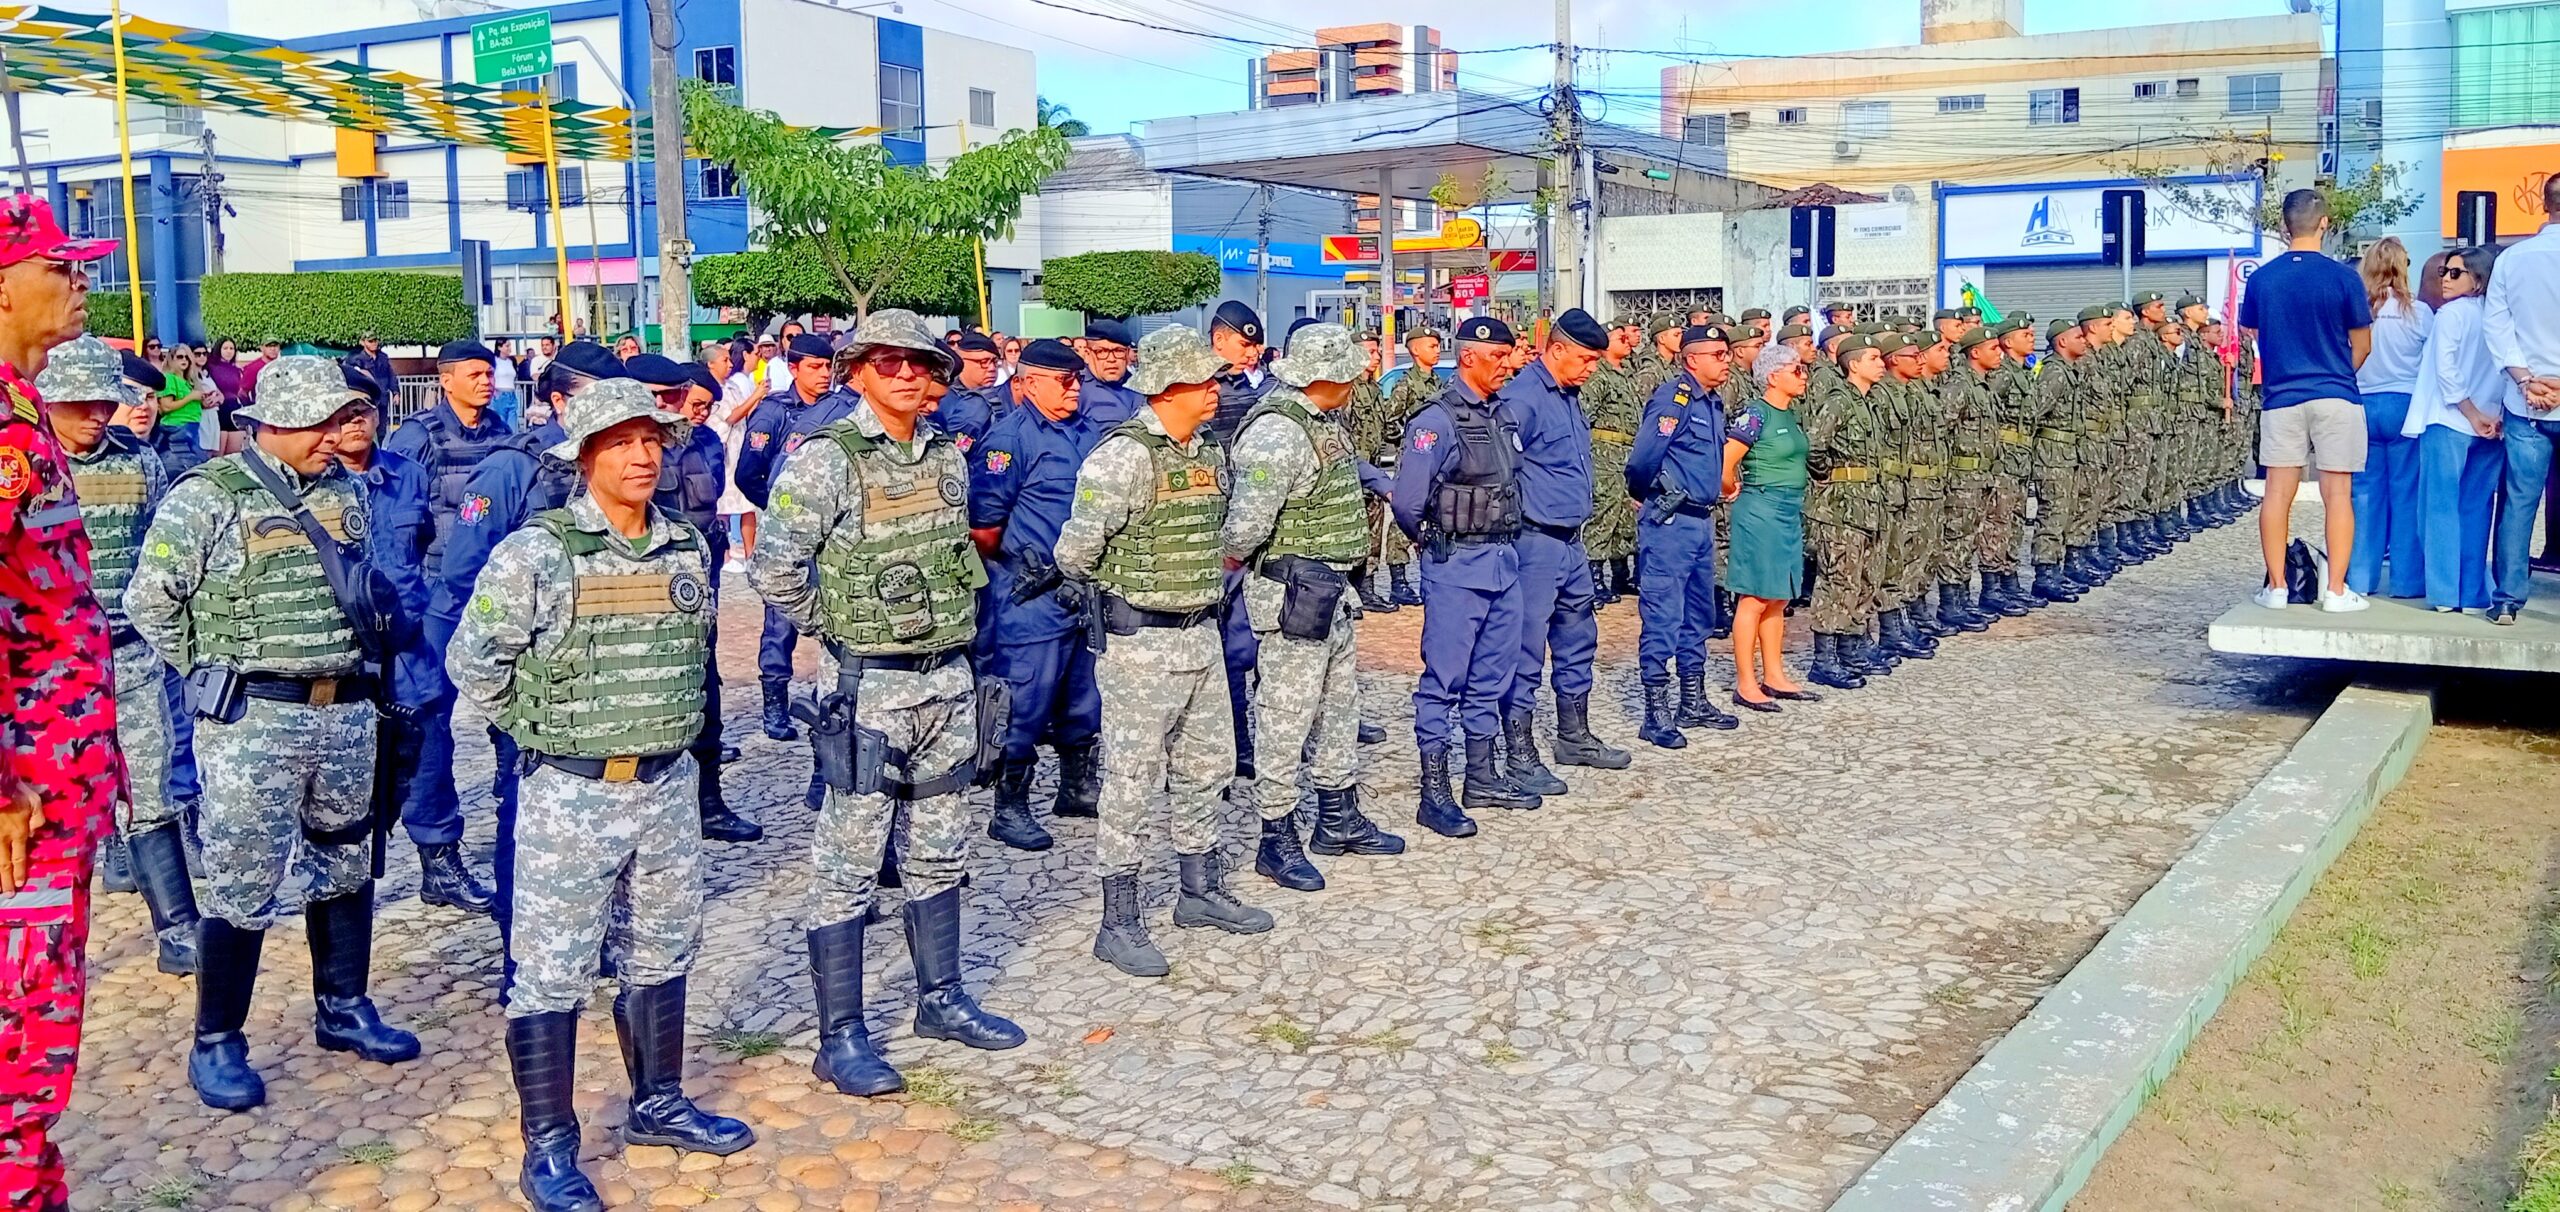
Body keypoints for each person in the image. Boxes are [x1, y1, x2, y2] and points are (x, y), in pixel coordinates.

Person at [447, 378, 754, 1212]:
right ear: (583, 457)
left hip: (666, 787)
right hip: (572, 794)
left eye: (651, 439)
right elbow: (473, 663)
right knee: (552, 973)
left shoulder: (685, 546)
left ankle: (659, 1102)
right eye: (620, 442)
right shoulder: (538, 553)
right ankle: (549, 1146)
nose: (642, 456)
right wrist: (546, 731)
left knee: (663, 950)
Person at [128, 356, 421, 1112]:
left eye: (340, 421)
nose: (335, 436)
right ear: (274, 425)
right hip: (255, 721)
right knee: (242, 881)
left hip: (346, 710)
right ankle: (218, 1039)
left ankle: (344, 1006)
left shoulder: (348, 490)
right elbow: (150, 601)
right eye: (320, 424)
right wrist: (208, 670)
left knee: (347, 861)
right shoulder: (208, 496)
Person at [749, 310, 1026, 1087]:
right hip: (867, 687)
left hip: (946, 681)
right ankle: (840, 1036)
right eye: (888, 362)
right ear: (858, 372)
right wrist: (838, 629)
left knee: (941, 849)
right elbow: (775, 568)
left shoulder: (945, 454)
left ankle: (942, 998)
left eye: (920, 363)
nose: (906, 374)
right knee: (849, 862)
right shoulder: (826, 459)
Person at [1055, 324, 1273, 976]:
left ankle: (1198, 890)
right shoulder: (1121, 458)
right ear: (1168, 387)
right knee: (1130, 781)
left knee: (1208, 767)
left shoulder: (1207, 450)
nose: (1214, 389)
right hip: (1141, 644)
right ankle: (1118, 920)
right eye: (1202, 380)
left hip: (1201, 633)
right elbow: (1075, 552)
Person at [0, 194, 123, 1212]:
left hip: (59, 775)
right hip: (24, 798)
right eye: (59, 268)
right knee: (18, 1036)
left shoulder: (25, 407)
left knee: (39, 1031)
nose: (80, 285)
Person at [1219, 323, 1406, 894]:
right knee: (1286, 717)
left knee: (1338, 708)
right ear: (1321, 377)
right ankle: (1275, 837)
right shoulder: (1277, 433)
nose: (1355, 381)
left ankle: (1337, 816)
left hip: (1331, 591)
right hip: (1292, 596)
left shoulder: (1322, 422)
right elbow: (1243, 529)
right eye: (1346, 373)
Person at [36, 335, 198, 983]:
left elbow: (160, 550)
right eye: (81, 403)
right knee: (57, 805)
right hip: (50, 668)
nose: (96, 414)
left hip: (130, 657)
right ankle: (45, 945)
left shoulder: (140, 461)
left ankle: (178, 929)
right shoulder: (25, 462)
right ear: (50, 401)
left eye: (105, 401)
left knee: (152, 791)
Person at [378, 338, 513, 915]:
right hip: (437, 599)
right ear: (446, 379)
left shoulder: (503, 434)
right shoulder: (418, 438)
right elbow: (395, 527)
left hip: (498, 594)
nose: (486, 382)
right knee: (431, 723)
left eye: (490, 373)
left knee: (512, 711)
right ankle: (438, 855)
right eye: (475, 374)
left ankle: (518, 817)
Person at [1392, 316, 1541, 835]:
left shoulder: (1502, 415)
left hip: (1503, 565)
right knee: (1444, 681)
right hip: (1456, 566)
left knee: (1491, 678)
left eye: (1509, 356)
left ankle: (1481, 776)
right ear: (1470, 357)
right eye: (1498, 357)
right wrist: (1433, 542)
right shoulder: (1436, 421)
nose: (1507, 366)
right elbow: (1407, 502)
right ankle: (1434, 794)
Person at [970, 339, 1106, 851]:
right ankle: (1009, 805)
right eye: (1062, 381)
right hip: (1029, 594)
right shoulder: (1009, 441)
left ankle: (1076, 787)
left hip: (1080, 590)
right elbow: (984, 528)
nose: (1073, 389)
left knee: (1083, 696)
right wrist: (1023, 565)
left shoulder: (1088, 431)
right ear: (1027, 383)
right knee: (1024, 701)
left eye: (1077, 380)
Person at [1500, 308, 1631, 792]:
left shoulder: (1568, 395)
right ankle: (1519, 752)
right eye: (1585, 359)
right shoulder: (1524, 397)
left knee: (1578, 641)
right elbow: (1501, 469)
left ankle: (1574, 736)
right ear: (1556, 350)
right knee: (1525, 647)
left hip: (1572, 541)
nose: (1591, 369)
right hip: (1534, 541)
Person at [638, 356, 761, 843]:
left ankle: (709, 802)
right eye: (660, 396)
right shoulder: (630, 449)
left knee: (705, 689)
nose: (674, 406)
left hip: (699, 586)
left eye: (676, 396)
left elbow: (710, 505)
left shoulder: (706, 441)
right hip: (647, 593)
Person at [2240, 190, 2375, 612]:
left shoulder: (2262, 279)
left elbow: (2255, 334)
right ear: (2325, 223)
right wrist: (2337, 373)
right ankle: (2335, 590)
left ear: (2284, 227)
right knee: (2338, 494)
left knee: (2277, 493)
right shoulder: (2344, 278)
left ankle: (2277, 587)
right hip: (2336, 394)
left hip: (2282, 396)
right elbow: (2363, 344)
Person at [734, 333, 856, 745]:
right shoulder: (774, 411)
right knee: (781, 620)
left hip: (832, 534)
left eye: (828, 367)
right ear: (794, 367)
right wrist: (783, 512)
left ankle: (832, 700)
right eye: (815, 367)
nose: (824, 374)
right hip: (790, 531)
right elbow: (748, 473)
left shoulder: (839, 408)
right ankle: (775, 702)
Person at [1626, 324, 1742, 743]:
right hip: (1671, 522)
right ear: (1692, 359)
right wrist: (1645, 495)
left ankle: (1692, 700)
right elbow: (1644, 458)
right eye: (1717, 354)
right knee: (1663, 614)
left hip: (1701, 521)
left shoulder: (1712, 402)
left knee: (1699, 614)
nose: (1726, 361)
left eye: (1727, 353)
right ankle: (1655, 711)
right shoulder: (1673, 398)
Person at [2402, 245, 2504, 613]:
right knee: (2476, 509)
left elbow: (2446, 370)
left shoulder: (2451, 315)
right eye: (2444, 271)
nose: (2445, 278)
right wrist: (2492, 414)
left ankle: (2445, 593)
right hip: (2492, 421)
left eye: (2455, 273)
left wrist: (2472, 412)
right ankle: (2473, 592)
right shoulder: (2500, 317)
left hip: (2450, 419)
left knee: (2439, 508)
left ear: (2478, 279)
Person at [1722, 342, 1819, 710]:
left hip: (1788, 509)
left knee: (1778, 595)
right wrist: (1731, 488)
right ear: (1774, 376)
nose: (1803, 375)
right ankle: (1746, 683)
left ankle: (1774, 675)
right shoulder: (1755, 414)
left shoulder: (1789, 415)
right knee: (1755, 597)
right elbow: (1726, 461)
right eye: (1796, 370)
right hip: (1761, 509)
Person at [2484, 173, 2560, 624]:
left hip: (2526, 400)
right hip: (2542, 393)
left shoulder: (2512, 259)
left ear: (2543, 205)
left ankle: (2507, 599)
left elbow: (2496, 326)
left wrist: (2527, 379)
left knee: (2518, 502)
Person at [2347, 238, 2431, 600]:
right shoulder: (2419, 312)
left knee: (2364, 495)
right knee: (2406, 494)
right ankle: (2406, 581)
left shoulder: (2356, 310)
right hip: (2405, 404)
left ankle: (2360, 578)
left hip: (2363, 403)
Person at [1935, 328, 2006, 631]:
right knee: (1956, 539)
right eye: (1993, 348)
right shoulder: (1959, 386)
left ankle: (1962, 601)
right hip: (1962, 478)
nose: (1999, 353)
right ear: (1975, 352)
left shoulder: (1981, 386)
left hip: (1980, 476)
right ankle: (1950, 605)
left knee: (1969, 539)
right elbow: (1940, 432)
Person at [1377, 326, 1445, 607]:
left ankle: (1431, 574)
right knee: (1405, 511)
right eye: (1431, 346)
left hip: (1437, 457)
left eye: (1438, 345)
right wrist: (1405, 440)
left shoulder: (1438, 383)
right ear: (1415, 350)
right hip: (1415, 458)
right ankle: (1398, 579)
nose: (1437, 350)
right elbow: (1388, 418)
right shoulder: (1406, 384)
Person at [706, 338, 763, 559]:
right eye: (725, 361)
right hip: (723, 451)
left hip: (740, 448)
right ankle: (725, 553)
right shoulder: (710, 390)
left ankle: (750, 553)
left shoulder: (732, 386)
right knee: (723, 506)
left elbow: (744, 412)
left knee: (747, 505)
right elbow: (731, 417)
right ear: (711, 364)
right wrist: (755, 396)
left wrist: (758, 398)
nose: (730, 364)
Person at [347, 332, 400, 401]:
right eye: (370, 341)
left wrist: (395, 392)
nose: (374, 343)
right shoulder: (358, 360)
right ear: (363, 342)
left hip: (383, 397)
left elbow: (391, 375)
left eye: (375, 340)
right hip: (368, 398)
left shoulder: (383, 357)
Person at [490, 338, 522, 430]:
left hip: (511, 394)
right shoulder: (494, 361)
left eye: (510, 346)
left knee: (513, 425)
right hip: (500, 394)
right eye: (507, 346)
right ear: (499, 347)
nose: (509, 348)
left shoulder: (511, 361)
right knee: (501, 423)